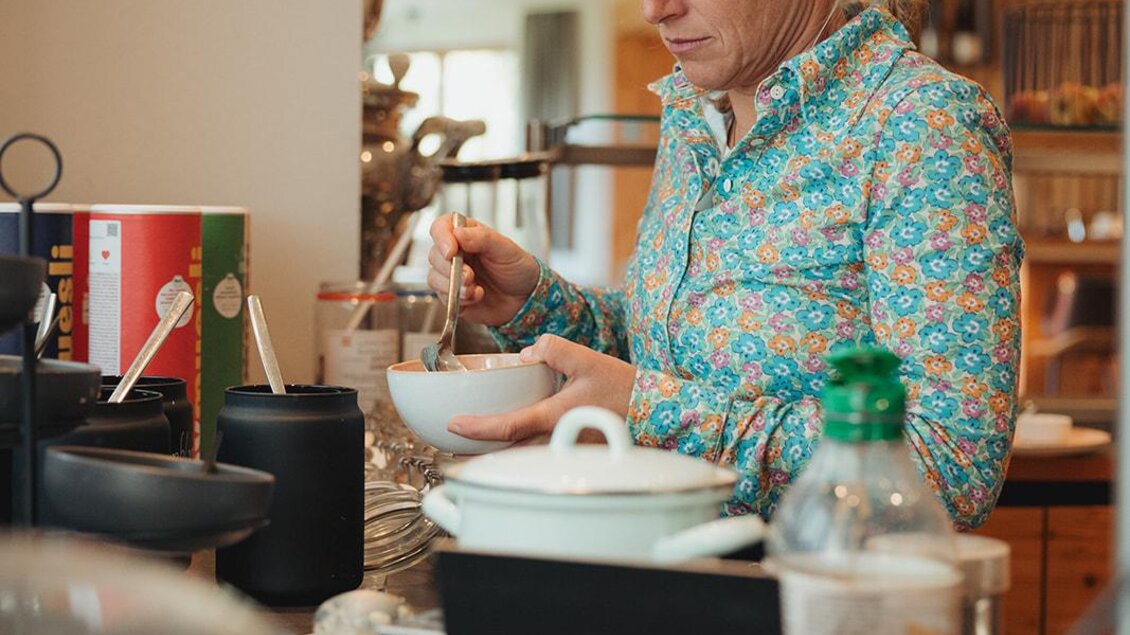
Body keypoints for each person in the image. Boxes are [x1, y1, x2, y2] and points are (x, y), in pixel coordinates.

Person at [427, 0, 1023, 530]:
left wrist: (648, 413)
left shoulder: (921, 125)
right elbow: (670, 355)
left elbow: (951, 470)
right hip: (669, 576)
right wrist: (534, 302)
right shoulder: (698, 112)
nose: (653, 10)